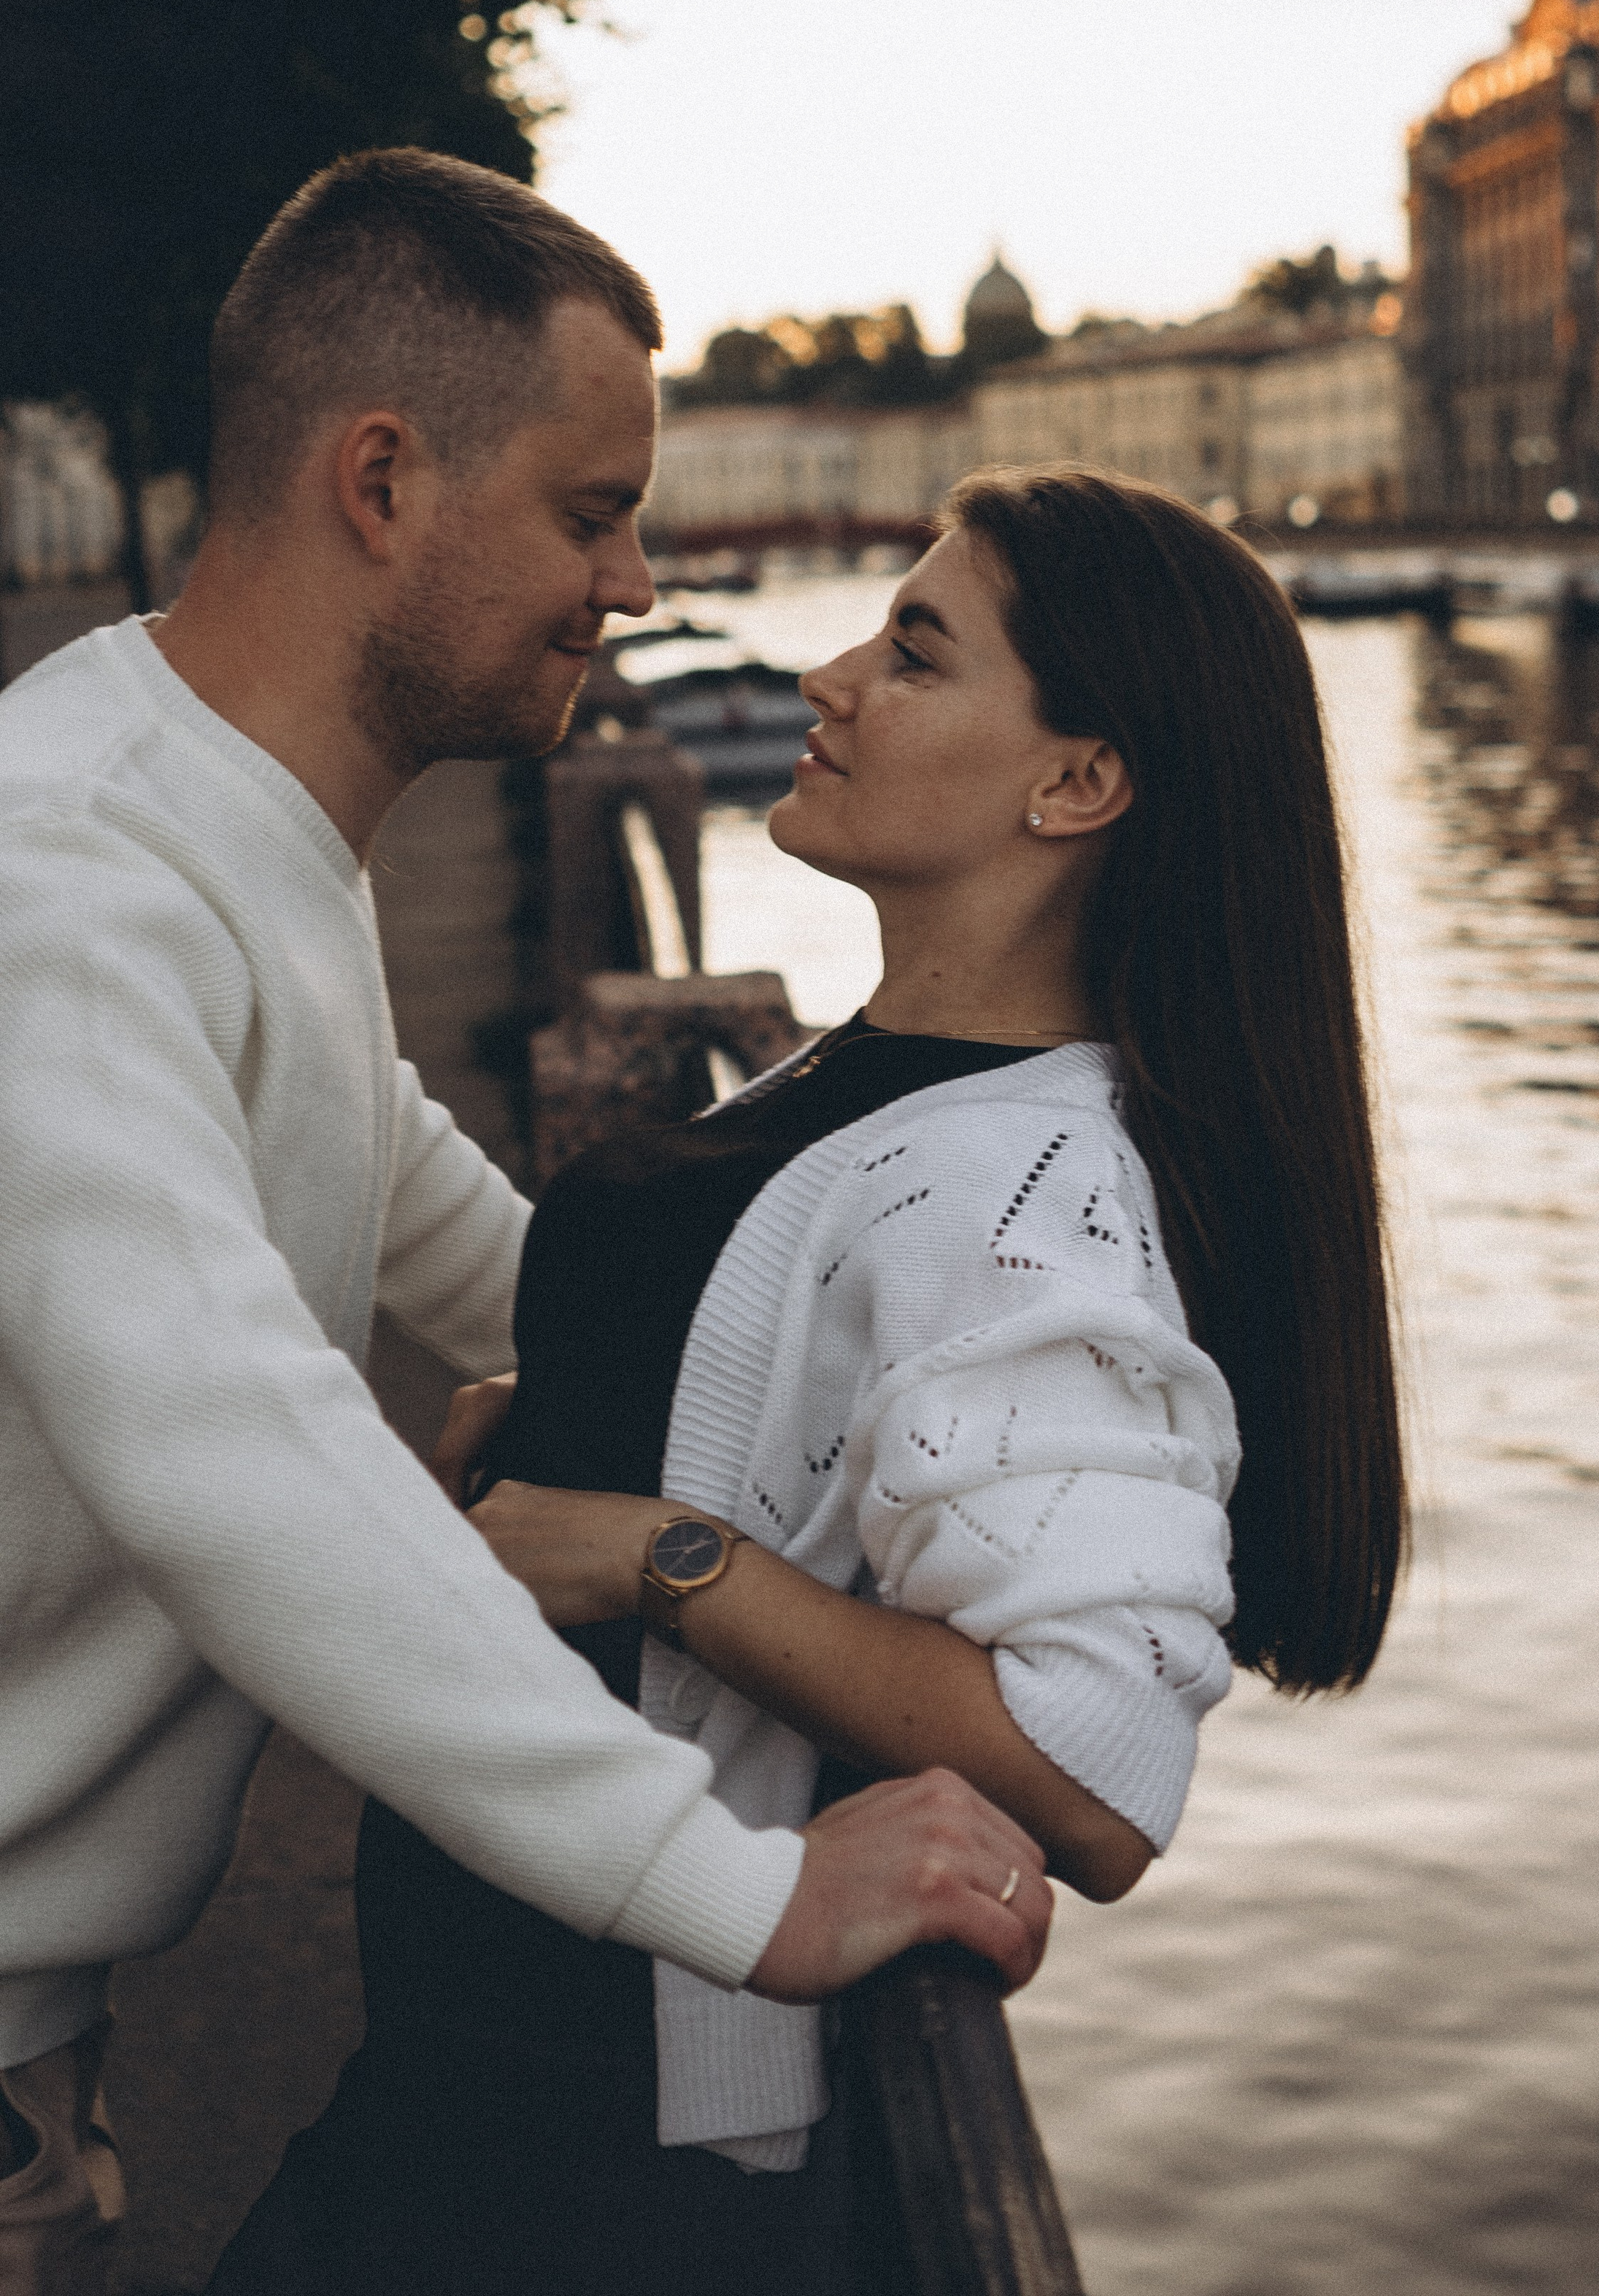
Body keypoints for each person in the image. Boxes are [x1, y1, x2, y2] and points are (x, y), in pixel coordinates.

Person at [0, 152, 1048, 2296]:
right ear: (382, 479)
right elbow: (240, 1454)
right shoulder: (76, 888)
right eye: (594, 513)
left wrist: (891, 1451)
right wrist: (739, 1891)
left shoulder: (223, 830)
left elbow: (429, 1204)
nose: (639, 581)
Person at [236, 464, 1409, 2292]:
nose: (832, 677)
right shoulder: (887, 1089)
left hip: (610, 2166)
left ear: (1076, 783)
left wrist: (650, 1553)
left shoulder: (1027, 1194)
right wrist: (548, 1432)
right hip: (493, 2075)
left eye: (916, 653)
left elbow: (1091, 1766)